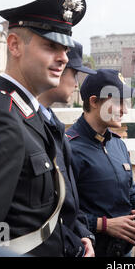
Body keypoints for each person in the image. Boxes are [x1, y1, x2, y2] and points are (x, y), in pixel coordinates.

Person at [0, 0, 87, 256]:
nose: (64, 58)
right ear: (14, 45)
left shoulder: (26, 113)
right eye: (50, 46)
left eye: (65, 49)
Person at [66, 69, 135, 257]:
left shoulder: (118, 145)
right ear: (94, 102)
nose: (124, 110)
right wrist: (103, 225)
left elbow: (130, 190)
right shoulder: (68, 147)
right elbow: (63, 212)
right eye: (117, 102)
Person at [38, 41, 96, 257]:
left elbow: (69, 201)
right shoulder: (22, 122)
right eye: (75, 76)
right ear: (59, 72)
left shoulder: (52, 123)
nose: (76, 85)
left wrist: (84, 236)